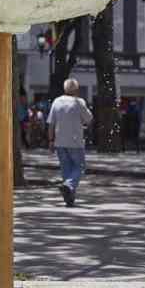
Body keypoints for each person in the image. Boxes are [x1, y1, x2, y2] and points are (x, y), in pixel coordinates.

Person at [47, 79, 93, 207]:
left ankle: (69, 197)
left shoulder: (57, 101)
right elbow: (89, 119)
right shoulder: (79, 102)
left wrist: (50, 140)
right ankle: (69, 186)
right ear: (76, 90)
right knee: (80, 166)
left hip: (59, 141)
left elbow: (51, 123)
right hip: (75, 141)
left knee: (66, 169)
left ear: (65, 89)